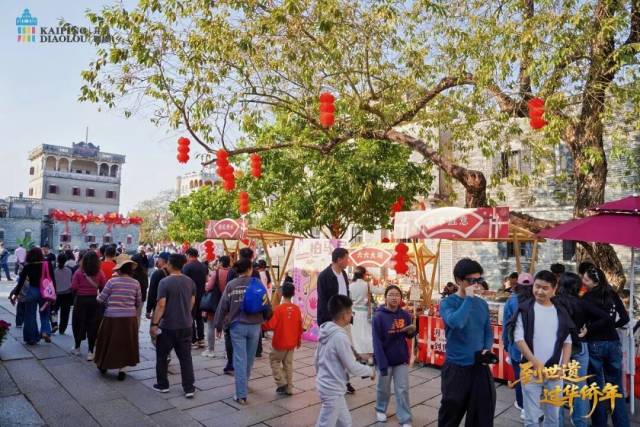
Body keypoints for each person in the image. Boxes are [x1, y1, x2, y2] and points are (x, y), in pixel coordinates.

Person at [437, 258, 495, 427]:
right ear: (458, 280)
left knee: (482, 414)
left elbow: (487, 330)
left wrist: (487, 348)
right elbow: (457, 322)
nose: (476, 284)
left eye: (479, 280)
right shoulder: (447, 303)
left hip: (479, 366)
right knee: (451, 413)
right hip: (456, 368)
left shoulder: (482, 304)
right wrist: (469, 298)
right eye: (471, 280)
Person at [512, 270, 573, 427]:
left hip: (554, 372)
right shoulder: (525, 309)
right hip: (530, 371)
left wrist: (563, 367)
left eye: (545, 288)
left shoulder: (561, 312)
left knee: (553, 418)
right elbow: (519, 339)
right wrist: (535, 362)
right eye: (537, 286)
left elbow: (567, 342)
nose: (539, 291)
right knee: (531, 418)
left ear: (554, 289)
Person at [213, 258, 272, 404]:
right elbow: (266, 303)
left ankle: (241, 394)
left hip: (237, 326)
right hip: (255, 326)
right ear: (250, 269)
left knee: (239, 359)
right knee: (249, 359)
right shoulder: (257, 283)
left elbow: (222, 306)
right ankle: (244, 384)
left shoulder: (231, 285)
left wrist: (218, 325)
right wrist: (266, 318)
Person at [555, 272, 607, 427]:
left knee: (556, 384)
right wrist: (588, 328)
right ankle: (581, 422)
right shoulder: (582, 302)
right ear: (577, 286)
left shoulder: (554, 302)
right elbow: (605, 317)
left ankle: (557, 422)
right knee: (579, 386)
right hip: (580, 346)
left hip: (558, 347)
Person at [315, 295, 375, 427]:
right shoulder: (339, 336)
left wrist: (320, 376)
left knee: (345, 422)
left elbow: (317, 358)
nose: (351, 315)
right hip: (332, 388)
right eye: (351, 312)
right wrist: (370, 371)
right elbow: (352, 366)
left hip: (328, 385)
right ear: (345, 315)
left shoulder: (325, 330)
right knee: (326, 423)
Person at [582, 267, 630, 426]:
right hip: (613, 342)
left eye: (586, 279)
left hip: (595, 342)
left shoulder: (587, 297)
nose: (583, 282)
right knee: (616, 386)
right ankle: (621, 423)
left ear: (595, 281)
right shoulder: (612, 293)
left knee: (596, 386)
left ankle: (599, 423)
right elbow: (625, 318)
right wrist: (612, 326)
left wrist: (590, 329)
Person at [150, 254, 196, 398]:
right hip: (186, 324)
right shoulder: (190, 282)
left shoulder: (164, 282)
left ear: (170, 264)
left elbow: (161, 305)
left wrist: (154, 324)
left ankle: (163, 384)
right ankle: (189, 388)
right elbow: (192, 302)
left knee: (162, 356)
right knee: (186, 358)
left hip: (168, 326)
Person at [372, 285, 416, 427]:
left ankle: (405, 419)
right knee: (383, 388)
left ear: (401, 298)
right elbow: (376, 342)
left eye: (397, 295)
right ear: (385, 297)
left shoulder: (405, 315)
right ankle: (380, 409)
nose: (394, 297)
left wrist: (411, 332)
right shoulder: (378, 317)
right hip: (384, 359)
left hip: (400, 358)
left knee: (402, 389)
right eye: (391, 294)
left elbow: (408, 336)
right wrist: (381, 363)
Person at [95, 255, 141, 380]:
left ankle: (104, 364)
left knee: (108, 341)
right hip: (129, 318)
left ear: (119, 269)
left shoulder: (112, 282)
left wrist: (103, 299)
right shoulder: (136, 283)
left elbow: (101, 299)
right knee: (126, 343)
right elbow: (138, 302)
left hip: (111, 317)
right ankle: (122, 369)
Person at [316, 247, 356, 394]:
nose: (348, 261)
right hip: (331, 321)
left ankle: (345, 381)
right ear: (339, 260)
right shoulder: (324, 276)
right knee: (331, 353)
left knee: (346, 350)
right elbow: (322, 301)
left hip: (345, 319)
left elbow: (346, 294)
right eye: (346, 259)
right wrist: (327, 321)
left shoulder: (343, 274)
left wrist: (349, 313)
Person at [263, 281, 303, 396]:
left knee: (274, 360)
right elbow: (299, 327)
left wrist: (262, 324)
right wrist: (298, 340)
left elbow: (270, 325)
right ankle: (289, 388)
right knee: (288, 364)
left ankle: (282, 383)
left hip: (280, 342)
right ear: (293, 294)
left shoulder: (278, 309)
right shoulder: (296, 309)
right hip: (292, 343)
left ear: (281, 293)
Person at [8, 247, 52, 345]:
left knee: (30, 315)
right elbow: (52, 279)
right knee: (45, 313)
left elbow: (21, 282)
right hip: (45, 292)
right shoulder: (47, 264)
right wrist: (54, 294)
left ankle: (31, 338)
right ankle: (45, 331)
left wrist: (15, 294)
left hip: (32, 291)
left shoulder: (27, 266)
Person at [70, 251, 106, 360]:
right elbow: (103, 286)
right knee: (93, 325)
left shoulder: (78, 272)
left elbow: (74, 287)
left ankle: (77, 348)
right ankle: (90, 352)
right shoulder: (100, 272)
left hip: (80, 300)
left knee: (78, 323)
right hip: (94, 301)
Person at [202, 255, 231, 358]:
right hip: (228, 304)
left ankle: (211, 350)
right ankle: (227, 352)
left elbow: (208, 287)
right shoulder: (232, 273)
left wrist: (205, 285)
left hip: (215, 303)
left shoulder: (216, 273)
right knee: (227, 328)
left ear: (221, 263)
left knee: (210, 326)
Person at [182, 248, 208, 348]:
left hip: (190, 296)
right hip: (201, 295)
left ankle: (193, 340)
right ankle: (201, 339)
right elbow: (206, 280)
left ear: (189, 255)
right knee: (199, 317)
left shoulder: (187, 267)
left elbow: (184, 282)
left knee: (190, 317)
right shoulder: (203, 266)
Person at [349, 266, 376, 359]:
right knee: (367, 334)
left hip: (354, 313)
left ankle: (358, 354)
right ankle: (369, 355)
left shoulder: (351, 285)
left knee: (356, 335)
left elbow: (349, 300)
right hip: (365, 313)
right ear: (364, 274)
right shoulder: (367, 285)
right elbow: (380, 290)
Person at [53, 253, 74, 335]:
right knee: (65, 313)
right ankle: (62, 329)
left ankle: (54, 325)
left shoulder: (54, 270)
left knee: (54, 311)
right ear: (66, 261)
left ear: (57, 260)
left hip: (56, 294)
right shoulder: (69, 270)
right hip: (67, 294)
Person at [146, 252, 170, 318]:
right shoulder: (173, 272)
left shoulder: (157, 274)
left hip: (158, 307)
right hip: (171, 308)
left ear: (162, 260)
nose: (157, 261)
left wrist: (148, 310)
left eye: (158, 259)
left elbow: (152, 292)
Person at [130, 252, 150, 318]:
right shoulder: (144, 273)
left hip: (132, 298)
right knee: (137, 317)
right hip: (141, 297)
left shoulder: (131, 274)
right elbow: (146, 286)